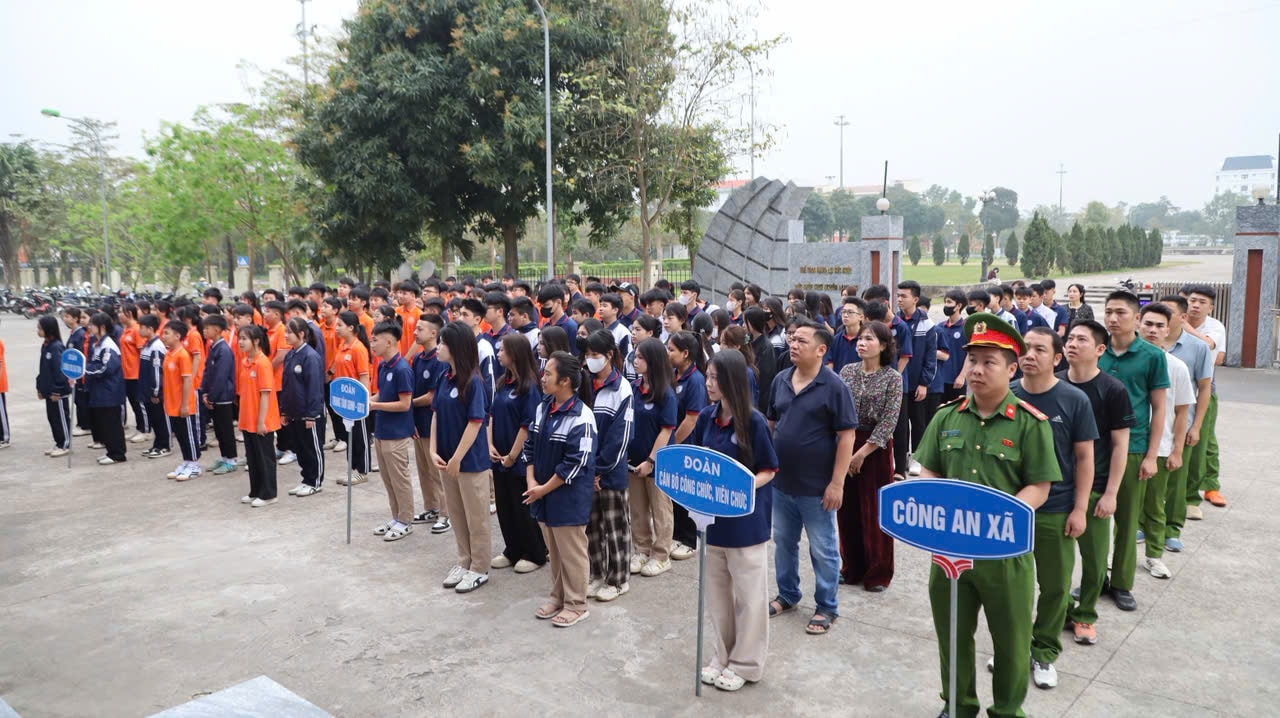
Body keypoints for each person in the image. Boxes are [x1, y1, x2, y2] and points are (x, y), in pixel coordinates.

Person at [914, 312, 1061, 718]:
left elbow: (1040, 486)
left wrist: (1003, 515)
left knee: (1012, 641)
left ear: (1012, 368)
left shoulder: (1032, 424)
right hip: (950, 554)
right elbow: (928, 470)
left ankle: (1008, 710)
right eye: (972, 361)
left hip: (1004, 554)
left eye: (989, 362)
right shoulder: (947, 417)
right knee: (953, 636)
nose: (977, 370)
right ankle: (958, 706)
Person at [1009, 327, 1097, 690]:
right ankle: (1012, 648)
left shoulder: (1074, 400)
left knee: (1056, 587)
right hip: (1010, 509)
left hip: (1057, 509)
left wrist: (1080, 509)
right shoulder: (1007, 394)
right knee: (1010, 587)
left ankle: (1043, 651)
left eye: (1040, 350)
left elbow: (1084, 458)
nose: (1030, 355)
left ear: (1057, 358)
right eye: (1025, 348)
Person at [695, 349, 779, 692]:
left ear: (732, 381)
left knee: (749, 597)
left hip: (746, 524)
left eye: (715, 378)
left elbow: (769, 469)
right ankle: (722, 656)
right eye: (708, 376)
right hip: (712, 524)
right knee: (717, 596)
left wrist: (739, 488)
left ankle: (746, 663)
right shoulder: (705, 418)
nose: (709, 383)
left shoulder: (754, 422)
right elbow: (696, 462)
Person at [766, 321, 857, 636]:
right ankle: (788, 594)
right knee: (783, 543)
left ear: (821, 350)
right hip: (782, 484)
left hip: (817, 488)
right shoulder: (780, 380)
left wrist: (837, 482)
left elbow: (846, 436)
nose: (793, 344)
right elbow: (772, 423)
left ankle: (827, 606)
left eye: (801, 341)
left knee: (823, 548)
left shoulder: (834, 387)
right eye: (792, 339)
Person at [1060, 319, 1134, 646]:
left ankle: (1086, 615)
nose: (1072, 344)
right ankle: (1060, 612)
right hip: (1057, 489)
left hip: (1096, 489)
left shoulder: (1113, 390)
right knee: (1056, 562)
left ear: (1101, 350)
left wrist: (1111, 493)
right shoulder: (1054, 384)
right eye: (1070, 338)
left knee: (1093, 560)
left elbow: (1120, 445)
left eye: (1082, 340)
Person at [1099, 290, 1168, 611]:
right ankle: (1095, 578)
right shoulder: (1097, 350)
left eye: (1121, 313)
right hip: (1093, 448)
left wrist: (1153, 456)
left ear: (1136, 318)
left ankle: (1122, 582)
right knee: (1093, 519)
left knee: (1126, 521)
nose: (1113, 318)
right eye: (1109, 312)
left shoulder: (1152, 356)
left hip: (1134, 447)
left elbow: (1159, 409)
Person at [522, 351, 597, 628]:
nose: (543, 378)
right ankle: (558, 595)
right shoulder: (544, 407)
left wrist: (543, 488)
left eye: (549, 374)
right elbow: (529, 446)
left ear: (565, 381)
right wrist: (532, 482)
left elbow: (575, 465)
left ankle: (577, 604)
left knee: (572, 551)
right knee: (554, 549)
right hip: (541, 492)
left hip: (567, 497)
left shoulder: (582, 418)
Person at [837, 321, 902, 591]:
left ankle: (878, 572)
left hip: (875, 449)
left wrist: (862, 453)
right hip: (845, 441)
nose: (862, 343)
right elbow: (837, 409)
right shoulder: (847, 371)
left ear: (884, 345)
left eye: (870, 339)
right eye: (861, 339)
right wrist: (845, 450)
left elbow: (889, 422)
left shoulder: (892, 378)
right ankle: (851, 567)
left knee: (874, 510)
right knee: (847, 509)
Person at [432, 322, 493, 593]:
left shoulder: (474, 382)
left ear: (455, 347)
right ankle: (464, 560)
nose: (438, 348)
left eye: (443, 343)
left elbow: (476, 422)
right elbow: (436, 413)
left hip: (469, 462)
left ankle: (480, 567)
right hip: (446, 459)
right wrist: (433, 449)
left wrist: (457, 457)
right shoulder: (443, 377)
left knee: (476, 516)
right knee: (456, 513)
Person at [1135, 303, 1193, 580]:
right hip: (1127, 446)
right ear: (1138, 324)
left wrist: (1177, 450)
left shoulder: (1177, 367)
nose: (1153, 330)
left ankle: (1154, 556)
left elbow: (1182, 412)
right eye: (1148, 324)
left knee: (1155, 506)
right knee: (1121, 508)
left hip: (1160, 448)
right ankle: (1114, 558)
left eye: (1159, 326)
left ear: (1168, 330)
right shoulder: (1124, 362)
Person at [1158, 295, 1214, 551]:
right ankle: (1142, 525)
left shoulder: (1197, 348)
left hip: (1182, 422)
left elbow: (1204, 389)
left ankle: (1172, 528)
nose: (1163, 317)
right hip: (1150, 425)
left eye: (1169, 312)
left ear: (1182, 317)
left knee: (1176, 481)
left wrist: (1197, 426)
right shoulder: (1148, 345)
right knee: (1147, 480)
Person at [583, 330, 634, 603]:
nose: (591, 360)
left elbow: (620, 438)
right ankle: (597, 574)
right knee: (592, 527)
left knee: (615, 528)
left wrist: (600, 470)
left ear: (610, 355)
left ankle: (618, 579)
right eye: (588, 355)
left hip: (610, 473)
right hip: (587, 471)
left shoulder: (621, 389)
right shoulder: (586, 384)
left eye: (596, 355)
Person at [489, 332, 547, 572]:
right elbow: (491, 414)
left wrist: (512, 456)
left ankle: (534, 552)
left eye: (503, 350)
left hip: (519, 459)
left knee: (522, 506)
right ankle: (512, 549)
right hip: (499, 455)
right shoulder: (503, 382)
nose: (499, 354)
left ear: (514, 354)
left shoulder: (530, 386)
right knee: (504, 506)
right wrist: (490, 444)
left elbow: (527, 425)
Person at [627, 337, 678, 577]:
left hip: (659, 462)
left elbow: (666, 430)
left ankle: (661, 555)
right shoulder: (635, 388)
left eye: (640, 357)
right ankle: (641, 549)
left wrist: (651, 461)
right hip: (633, 461)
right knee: (637, 508)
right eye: (635, 356)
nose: (635, 361)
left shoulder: (665, 393)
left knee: (660, 509)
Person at [369, 321, 417, 540]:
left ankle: (406, 520)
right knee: (388, 479)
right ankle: (396, 516)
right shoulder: (383, 366)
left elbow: (405, 403)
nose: (372, 344)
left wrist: (375, 406)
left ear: (389, 341)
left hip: (396, 433)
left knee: (400, 478)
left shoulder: (402, 369)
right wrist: (367, 401)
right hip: (381, 430)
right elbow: (382, 394)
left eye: (375, 340)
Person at [1181, 284, 1226, 510]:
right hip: (1178, 389)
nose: (1196, 305)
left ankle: (1207, 487)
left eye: (1202, 302)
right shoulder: (1175, 322)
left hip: (1203, 390)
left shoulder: (1215, 326)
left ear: (1211, 307)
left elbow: (1212, 351)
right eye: (1192, 300)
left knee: (1202, 439)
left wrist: (1183, 324)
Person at [668, 331, 709, 561]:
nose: (668, 353)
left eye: (672, 350)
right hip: (674, 444)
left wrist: (673, 444)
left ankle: (689, 540)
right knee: (675, 494)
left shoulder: (695, 380)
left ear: (686, 354)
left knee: (686, 495)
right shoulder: (674, 375)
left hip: (687, 445)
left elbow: (691, 419)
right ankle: (676, 534)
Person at [409, 313, 451, 533]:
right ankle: (431, 507)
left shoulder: (439, 360)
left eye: (419, 329)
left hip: (433, 423)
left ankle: (446, 513)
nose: (415, 333)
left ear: (434, 333)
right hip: (418, 422)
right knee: (423, 470)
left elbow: (432, 397)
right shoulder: (417, 358)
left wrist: (406, 404)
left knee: (436, 471)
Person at [896, 281, 938, 477]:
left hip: (917, 382)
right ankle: (902, 457)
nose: (899, 299)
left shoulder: (926, 324)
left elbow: (930, 356)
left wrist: (924, 383)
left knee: (919, 423)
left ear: (915, 299)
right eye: (898, 295)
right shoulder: (895, 321)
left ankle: (918, 459)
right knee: (901, 424)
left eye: (903, 296)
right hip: (900, 383)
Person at [281, 318, 327, 497]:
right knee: (300, 448)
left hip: (309, 414)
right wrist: (284, 411)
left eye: (289, 332)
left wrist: (312, 415)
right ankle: (306, 479)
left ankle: (315, 481)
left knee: (312, 448)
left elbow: (315, 388)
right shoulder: (291, 355)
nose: (286, 335)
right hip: (294, 412)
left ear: (301, 334)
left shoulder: (310, 356)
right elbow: (286, 385)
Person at [237, 325, 282, 507]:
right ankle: (255, 490)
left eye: (244, 339)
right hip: (248, 418)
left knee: (265, 458)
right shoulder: (245, 361)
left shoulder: (262, 363)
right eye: (239, 338)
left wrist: (262, 421)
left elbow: (265, 394)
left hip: (262, 419)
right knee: (253, 457)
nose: (240, 342)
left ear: (256, 341)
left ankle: (269, 493)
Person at [331, 311, 373, 485]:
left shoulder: (358, 348)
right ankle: (353, 468)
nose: (337, 328)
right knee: (350, 436)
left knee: (360, 436)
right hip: (345, 400)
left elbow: (364, 376)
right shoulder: (342, 346)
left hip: (357, 401)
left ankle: (362, 471)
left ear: (351, 327)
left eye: (340, 325)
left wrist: (365, 400)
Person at [84, 312, 127, 465]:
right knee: (105, 423)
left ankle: (118, 454)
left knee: (112, 424)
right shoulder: (98, 343)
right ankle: (111, 451)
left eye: (92, 324)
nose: (89, 327)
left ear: (102, 327)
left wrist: (86, 369)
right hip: (101, 392)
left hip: (110, 392)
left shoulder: (108, 346)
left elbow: (106, 368)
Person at [160, 320, 201, 480]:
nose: (164, 337)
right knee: (181, 434)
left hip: (183, 404)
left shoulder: (183, 355)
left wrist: (185, 404)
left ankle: (194, 464)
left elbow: (187, 381)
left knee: (188, 434)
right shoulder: (169, 354)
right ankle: (186, 461)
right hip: (171, 403)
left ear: (178, 336)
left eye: (167, 333)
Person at [201, 315, 239, 475]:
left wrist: (212, 396)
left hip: (223, 396)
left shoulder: (223, 350)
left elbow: (221, 377)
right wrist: (205, 392)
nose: (204, 331)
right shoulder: (214, 347)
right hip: (214, 396)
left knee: (225, 429)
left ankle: (231, 459)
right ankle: (224, 457)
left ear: (216, 329)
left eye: (207, 328)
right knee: (218, 428)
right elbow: (209, 373)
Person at [36, 316, 72, 456]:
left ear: (48, 329)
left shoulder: (56, 347)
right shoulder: (46, 346)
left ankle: (65, 444)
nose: (38, 331)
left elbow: (60, 371)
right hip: (48, 391)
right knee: (52, 418)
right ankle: (58, 442)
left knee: (61, 417)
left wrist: (57, 390)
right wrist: (39, 387)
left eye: (40, 328)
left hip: (58, 392)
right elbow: (42, 370)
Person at [137, 315, 172, 459]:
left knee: (160, 419)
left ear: (150, 329)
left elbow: (157, 372)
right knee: (154, 419)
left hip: (155, 392)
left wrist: (156, 392)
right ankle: (157, 444)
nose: (139, 331)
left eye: (142, 328)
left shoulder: (156, 347)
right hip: (147, 391)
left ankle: (165, 445)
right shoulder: (147, 345)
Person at [119, 304, 149, 445]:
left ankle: (145, 430)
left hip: (137, 373)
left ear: (129, 313)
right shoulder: (127, 330)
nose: (119, 314)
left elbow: (142, 352)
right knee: (133, 403)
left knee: (140, 403)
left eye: (121, 312)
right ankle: (139, 427)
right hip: (127, 373)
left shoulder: (137, 330)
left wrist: (143, 373)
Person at [827, 297, 865, 373]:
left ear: (861, 317)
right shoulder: (835, 340)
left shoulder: (866, 340)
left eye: (850, 312)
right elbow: (829, 365)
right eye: (843, 312)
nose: (845, 315)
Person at [625, 314, 660, 383]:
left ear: (650, 333)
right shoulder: (629, 356)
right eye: (633, 329)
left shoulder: (658, 354)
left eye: (638, 329)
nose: (633, 333)